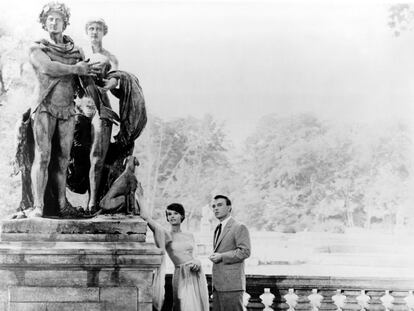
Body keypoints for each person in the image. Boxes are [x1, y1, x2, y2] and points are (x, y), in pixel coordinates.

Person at [27, 2, 98, 217]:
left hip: (68, 108)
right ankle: (39, 205)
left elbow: (86, 81)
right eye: (49, 18)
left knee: (64, 159)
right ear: (44, 22)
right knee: (44, 156)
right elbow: (48, 68)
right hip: (44, 106)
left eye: (58, 19)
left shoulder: (76, 50)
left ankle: (61, 203)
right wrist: (76, 68)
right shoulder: (37, 48)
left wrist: (93, 97)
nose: (53, 22)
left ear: (65, 23)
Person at [136, 189, 209, 311]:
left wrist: (198, 262)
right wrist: (140, 197)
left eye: (175, 213)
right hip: (182, 274)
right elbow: (146, 217)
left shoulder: (190, 235)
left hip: (196, 273)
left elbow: (195, 255)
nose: (172, 216)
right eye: (169, 214)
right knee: (185, 306)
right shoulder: (166, 234)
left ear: (182, 216)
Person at [82, 18, 119, 214]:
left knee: (97, 157)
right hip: (79, 106)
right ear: (86, 32)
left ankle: (93, 202)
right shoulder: (78, 53)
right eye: (91, 29)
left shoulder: (110, 57)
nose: (94, 32)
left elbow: (115, 77)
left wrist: (111, 82)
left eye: (98, 29)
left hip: (101, 107)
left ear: (104, 32)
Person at [209, 195, 251, 311]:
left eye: (219, 205)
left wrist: (221, 256)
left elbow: (245, 251)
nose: (215, 209)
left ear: (229, 208)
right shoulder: (218, 228)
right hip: (218, 286)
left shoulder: (239, 227)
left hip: (232, 286)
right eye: (213, 206)